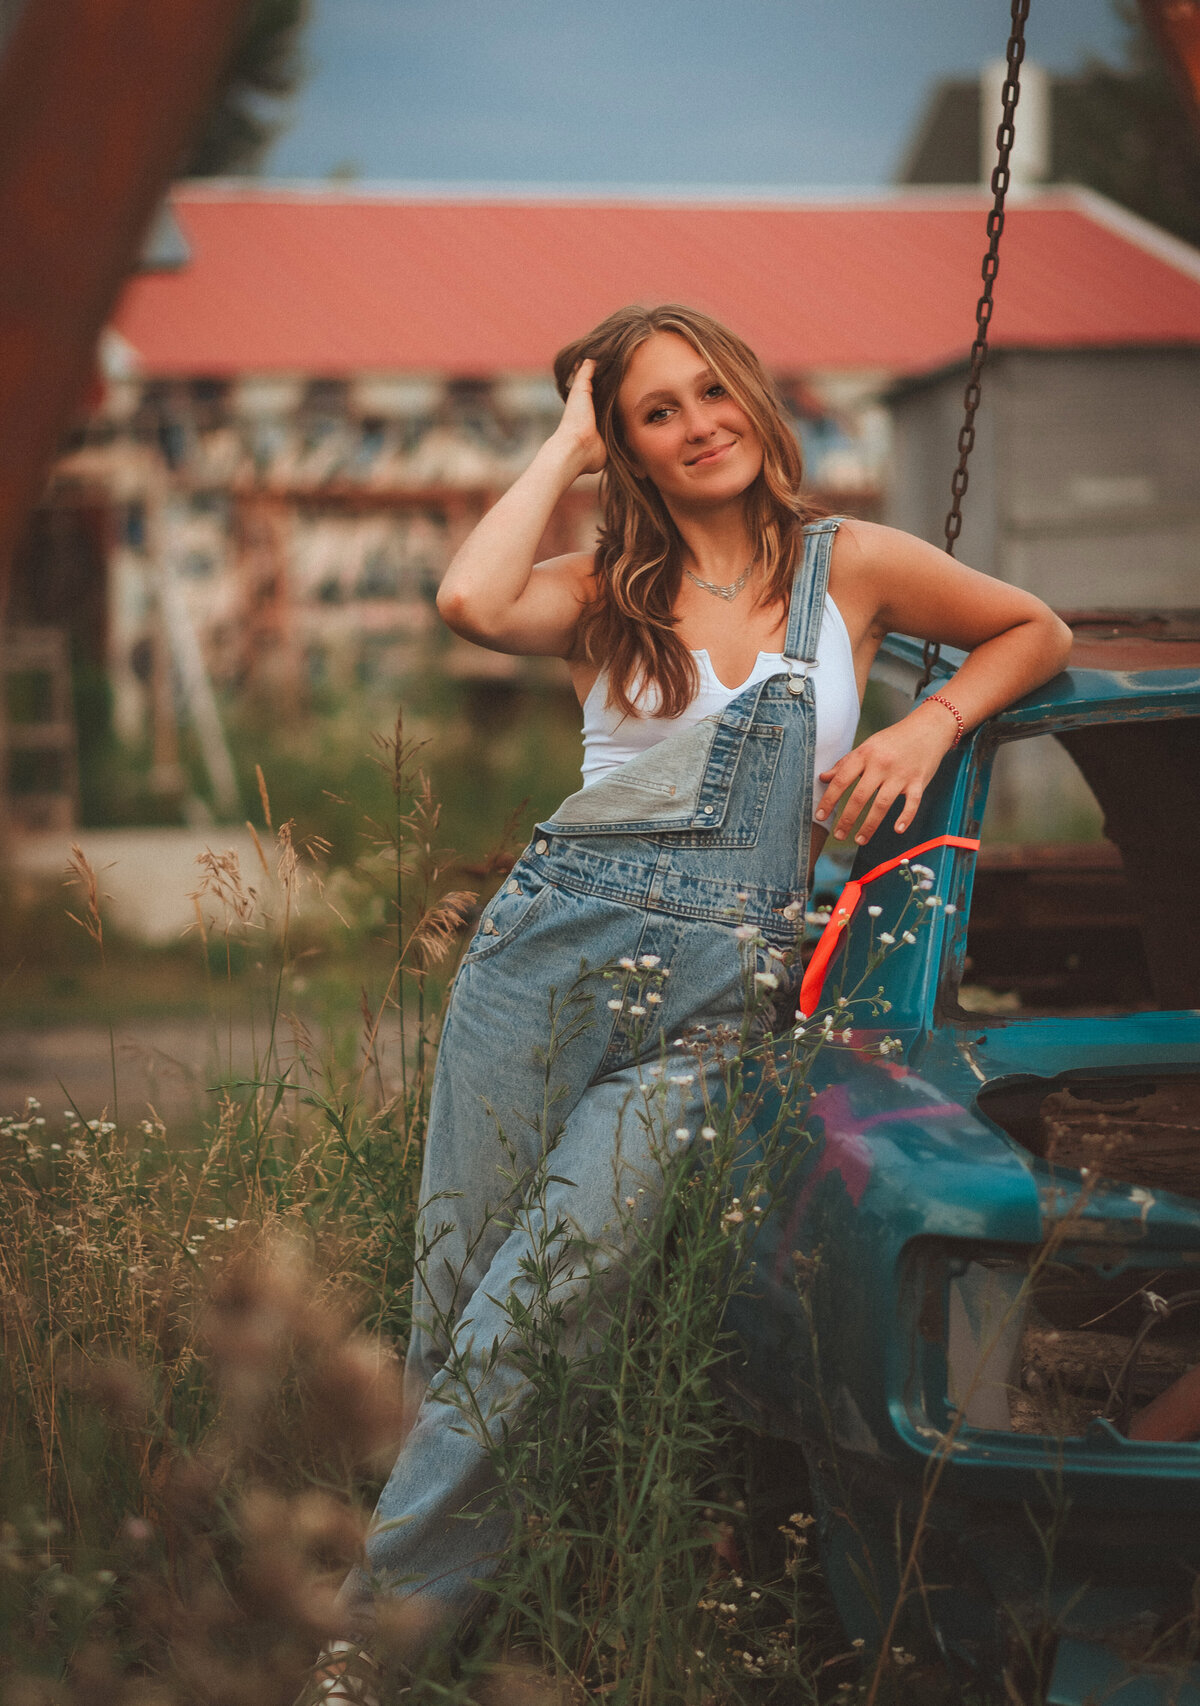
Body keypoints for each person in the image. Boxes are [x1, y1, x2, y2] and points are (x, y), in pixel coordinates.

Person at [322, 303, 1072, 1682]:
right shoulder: (603, 581)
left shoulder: (851, 566)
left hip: (719, 1002)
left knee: (539, 1319)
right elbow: (470, 599)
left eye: (709, 391)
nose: (697, 424)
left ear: (754, 397)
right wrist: (566, 434)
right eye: (654, 412)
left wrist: (929, 718)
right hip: (549, 958)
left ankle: (367, 1656)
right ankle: (416, 1640)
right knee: (454, 1306)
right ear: (631, 450)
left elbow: (1036, 628)